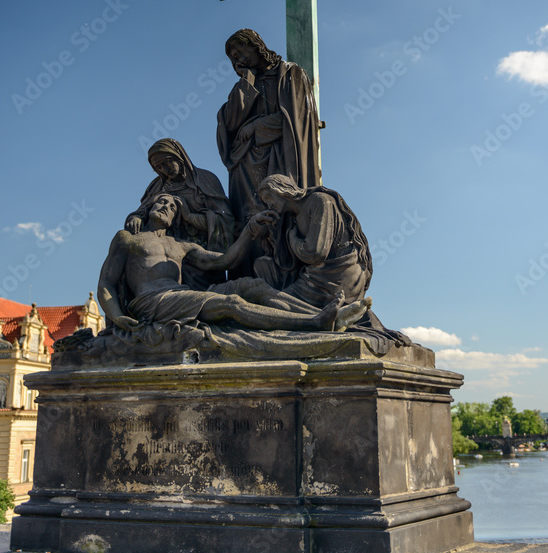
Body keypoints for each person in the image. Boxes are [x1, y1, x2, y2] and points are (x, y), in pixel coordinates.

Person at [99, 193, 371, 337]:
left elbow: (225, 260)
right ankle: (315, 323)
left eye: (172, 206)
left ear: (175, 218)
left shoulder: (180, 246)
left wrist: (250, 231)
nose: (166, 207)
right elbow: (107, 283)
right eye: (162, 202)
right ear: (149, 207)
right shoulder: (128, 239)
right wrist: (116, 316)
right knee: (231, 304)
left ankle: (323, 313)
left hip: (178, 297)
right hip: (152, 300)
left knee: (250, 286)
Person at [217, 30, 321, 239]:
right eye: (234, 58)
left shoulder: (290, 74)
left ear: (256, 45)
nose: (240, 58)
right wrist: (246, 83)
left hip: (280, 158)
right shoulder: (245, 85)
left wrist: (257, 125)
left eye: (241, 51)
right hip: (245, 166)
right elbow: (228, 124)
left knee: (279, 217)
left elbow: (298, 119)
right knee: (249, 219)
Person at [125, 138, 234, 289]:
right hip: (166, 254)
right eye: (159, 167)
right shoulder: (157, 187)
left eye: (167, 162)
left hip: (200, 255)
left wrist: (190, 217)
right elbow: (142, 212)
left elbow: (225, 220)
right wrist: (135, 218)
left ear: (178, 156)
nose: (165, 169)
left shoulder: (205, 180)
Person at [254, 173, 372, 308]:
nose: (269, 204)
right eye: (265, 201)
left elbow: (315, 253)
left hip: (339, 277)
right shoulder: (295, 217)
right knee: (275, 300)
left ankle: (328, 317)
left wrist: (292, 238)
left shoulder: (319, 200)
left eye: (269, 197)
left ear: (281, 189)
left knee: (278, 304)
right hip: (322, 276)